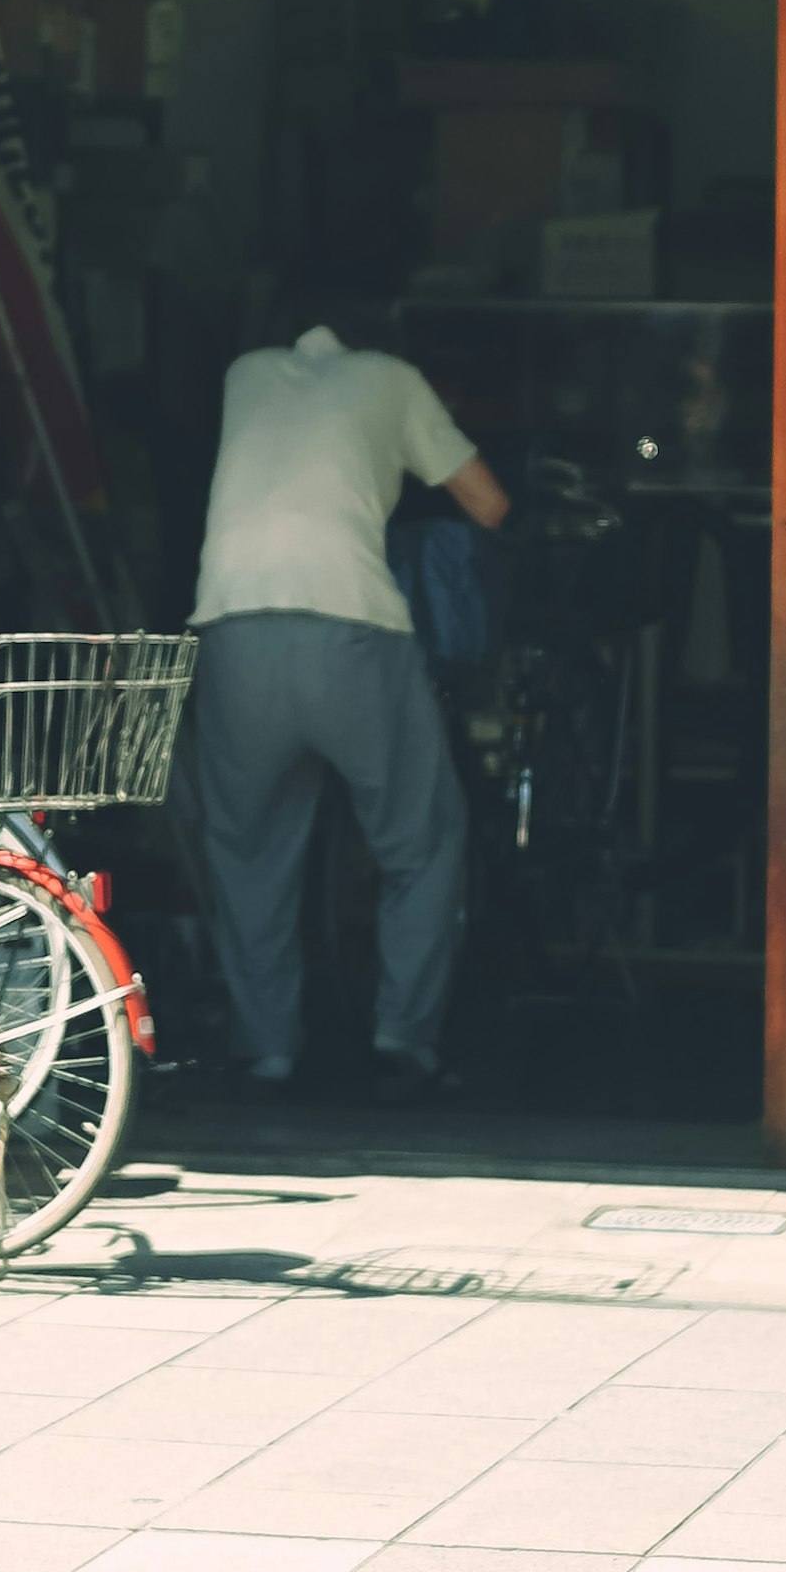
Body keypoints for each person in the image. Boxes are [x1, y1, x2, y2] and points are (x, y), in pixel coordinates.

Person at [182, 296, 509, 1094]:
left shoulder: (245, 372)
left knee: (249, 849)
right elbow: (488, 503)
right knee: (421, 839)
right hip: (352, 631)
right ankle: (404, 1034)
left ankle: (269, 1048)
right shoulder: (394, 378)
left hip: (232, 627)